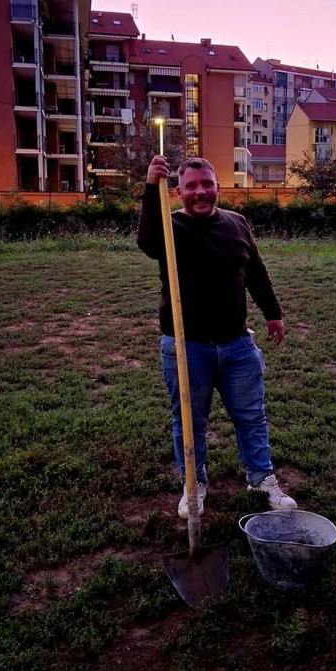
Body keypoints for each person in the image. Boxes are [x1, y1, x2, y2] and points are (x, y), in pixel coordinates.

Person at [137, 155, 297, 519]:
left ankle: (261, 478)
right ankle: (194, 485)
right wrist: (150, 187)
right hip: (187, 346)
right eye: (191, 186)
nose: (200, 192)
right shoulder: (169, 225)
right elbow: (147, 243)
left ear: (217, 188)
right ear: (178, 193)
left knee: (251, 416)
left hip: (237, 343)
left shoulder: (237, 224)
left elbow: (255, 272)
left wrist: (273, 313)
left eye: (206, 184)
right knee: (190, 423)